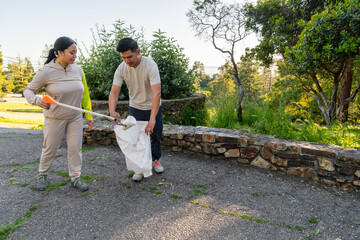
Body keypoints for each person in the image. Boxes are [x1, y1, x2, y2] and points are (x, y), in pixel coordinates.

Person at [24, 36, 93, 192]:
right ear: (60, 52)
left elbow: (85, 94)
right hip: (54, 118)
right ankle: (43, 174)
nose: (75, 56)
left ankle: (75, 177)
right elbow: (28, 90)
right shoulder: (46, 71)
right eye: (72, 52)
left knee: (76, 148)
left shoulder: (78, 69)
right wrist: (36, 100)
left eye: (76, 52)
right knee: (50, 148)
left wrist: (89, 115)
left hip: (75, 117)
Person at [109, 37, 164, 182]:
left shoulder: (150, 65)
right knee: (136, 139)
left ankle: (155, 160)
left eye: (129, 57)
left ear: (138, 52)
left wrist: (152, 119)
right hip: (135, 107)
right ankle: (139, 168)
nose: (126, 60)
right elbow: (114, 92)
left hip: (153, 106)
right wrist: (112, 110)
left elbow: (157, 92)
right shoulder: (121, 68)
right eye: (123, 57)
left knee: (156, 136)